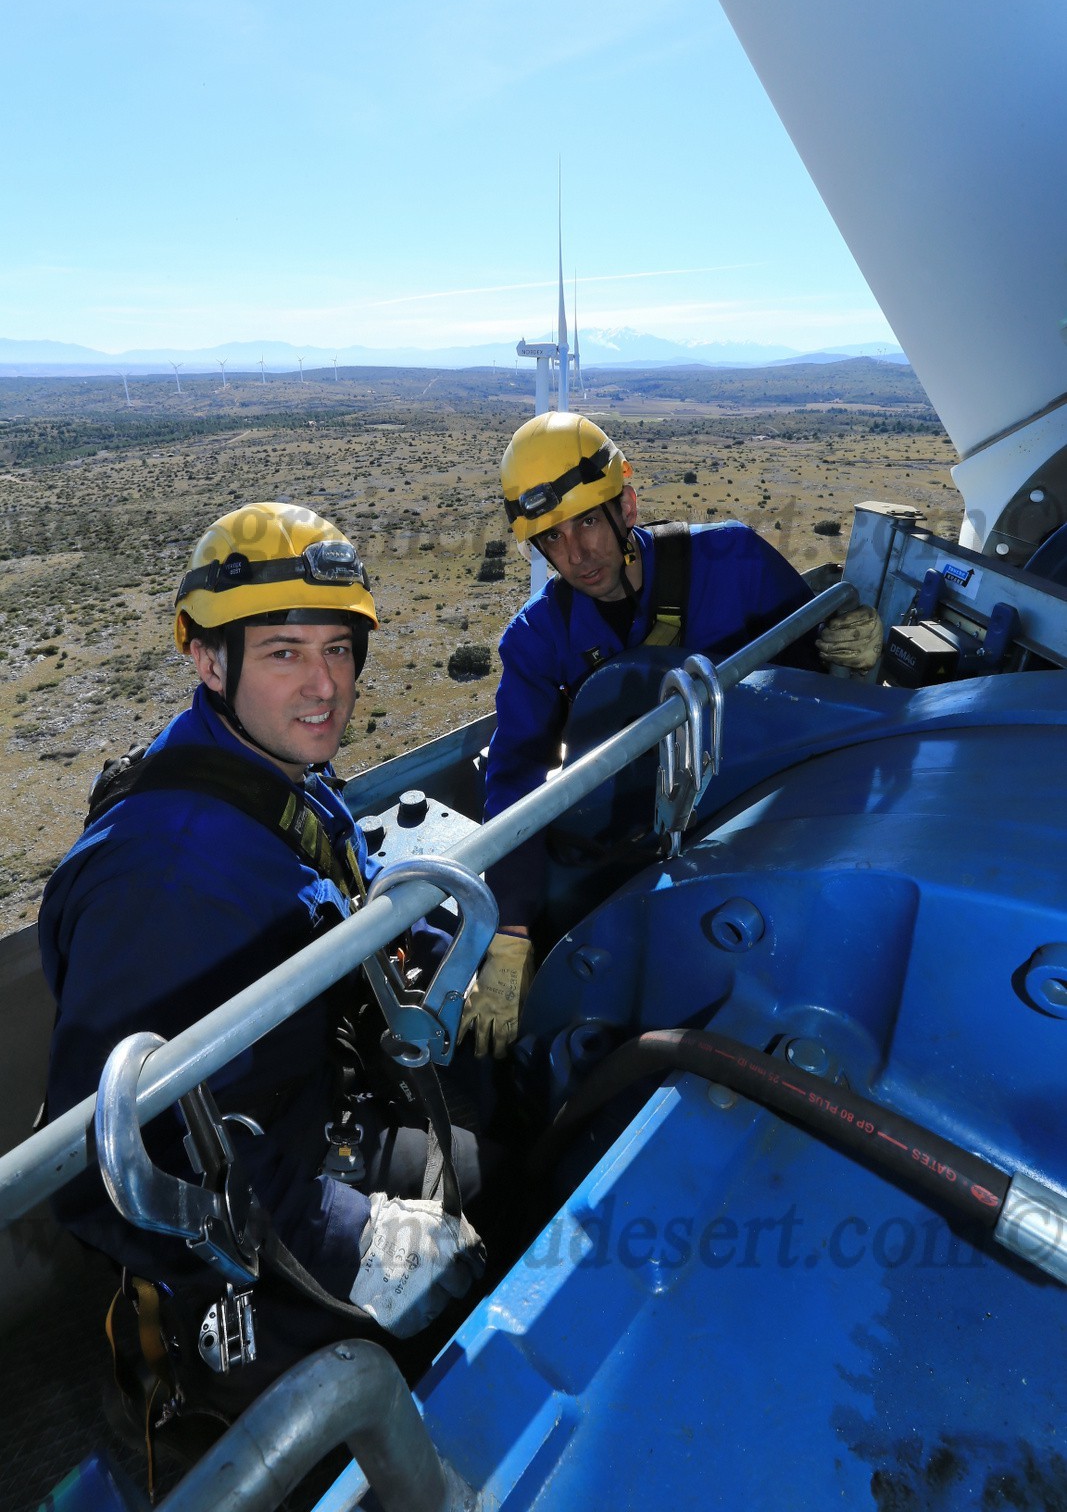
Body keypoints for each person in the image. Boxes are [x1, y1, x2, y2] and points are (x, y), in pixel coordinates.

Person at [40, 501, 486, 1413]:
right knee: (470, 1228)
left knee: (486, 1147)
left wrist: (439, 950)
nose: (324, 686)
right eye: (284, 652)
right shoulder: (163, 879)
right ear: (210, 662)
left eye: (338, 650)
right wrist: (350, 1237)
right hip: (243, 1233)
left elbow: (332, 892)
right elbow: (101, 1166)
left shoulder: (275, 778)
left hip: (309, 1112)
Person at [460, 411, 882, 1058]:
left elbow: (809, 687)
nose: (575, 555)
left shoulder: (733, 561)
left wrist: (849, 658)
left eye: (587, 523)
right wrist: (510, 932)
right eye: (551, 538)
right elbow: (517, 778)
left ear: (625, 506)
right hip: (628, 843)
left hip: (765, 816)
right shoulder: (537, 638)